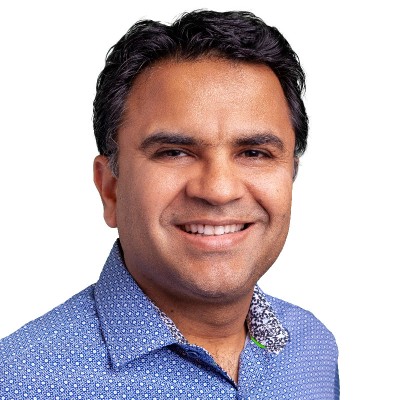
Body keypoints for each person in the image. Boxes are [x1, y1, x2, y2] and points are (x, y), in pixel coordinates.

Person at [0, 10, 339, 399]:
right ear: (110, 188)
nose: (219, 190)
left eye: (254, 153)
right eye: (175, 152)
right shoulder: (19, 381)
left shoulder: (311, 349)